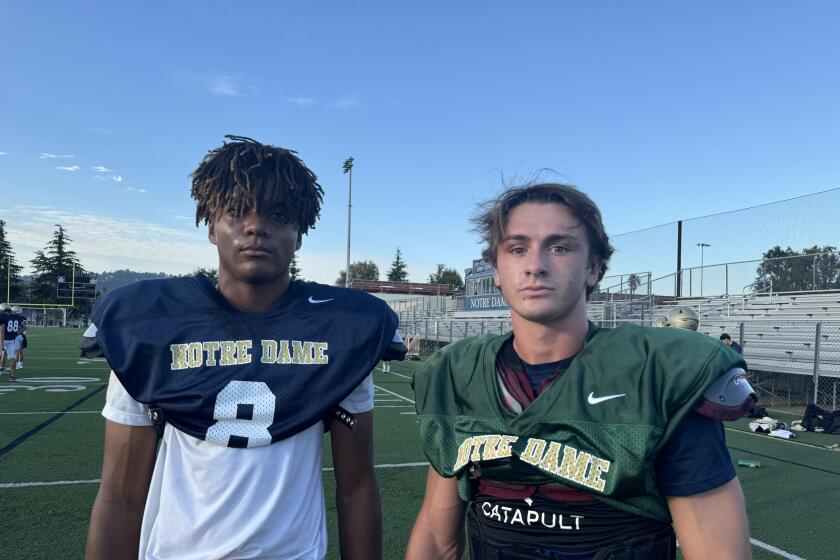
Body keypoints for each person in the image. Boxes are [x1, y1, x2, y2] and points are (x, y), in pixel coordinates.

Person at [85, 135, 405, 560]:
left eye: (278, 214)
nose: (256, 226)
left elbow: (357, 484)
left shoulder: (342, 331)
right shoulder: (149, 328)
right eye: (236, 211)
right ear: (211, 226)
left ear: (299, 233)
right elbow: (120, 496)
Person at [407, 183, 756, 560]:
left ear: (594, 268)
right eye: (517, 248)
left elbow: (717, 552)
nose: (535, 264)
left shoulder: (657, 373)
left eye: (559, 247)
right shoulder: (457, 373)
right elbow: (437, 537)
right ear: (497, 270)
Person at [0, 303, 25, 381]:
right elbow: (24, 327)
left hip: (3, 339)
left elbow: (2, 331)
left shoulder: (2, 317)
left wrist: (1, 344)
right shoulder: (15, 317)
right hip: (11, 340)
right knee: (12, 358)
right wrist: (15, 334)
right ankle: (13, 376)